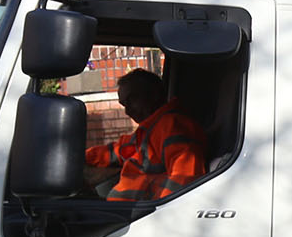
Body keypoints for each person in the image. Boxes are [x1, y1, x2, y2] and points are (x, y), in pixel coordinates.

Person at [84, 68, 206, 202]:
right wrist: (78, 158)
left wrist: (162, 211)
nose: (128, 111)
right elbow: (119, 151)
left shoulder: (173, 126)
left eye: (132, 100)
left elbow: (185, 178)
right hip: (127, 210)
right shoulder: (149, 130)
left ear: (153, 95)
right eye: (124, 104)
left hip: (145, 216)